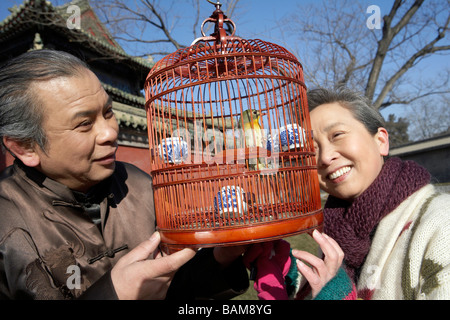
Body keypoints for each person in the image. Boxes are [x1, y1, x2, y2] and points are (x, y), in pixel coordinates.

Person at [0, 49, 249, 300]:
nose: (110, 132)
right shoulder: (6, 223)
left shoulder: (138, 184)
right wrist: (113, 294)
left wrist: (220, 259)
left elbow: (175, 286)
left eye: (108, 112)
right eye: (84, 124)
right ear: (25, 147)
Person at [289, 87, 449, 299]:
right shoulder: (333, 230)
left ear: (381, 141)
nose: (325, 157)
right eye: (311, 150)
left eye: (337, 135)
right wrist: (286, 271)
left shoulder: (440, 223)